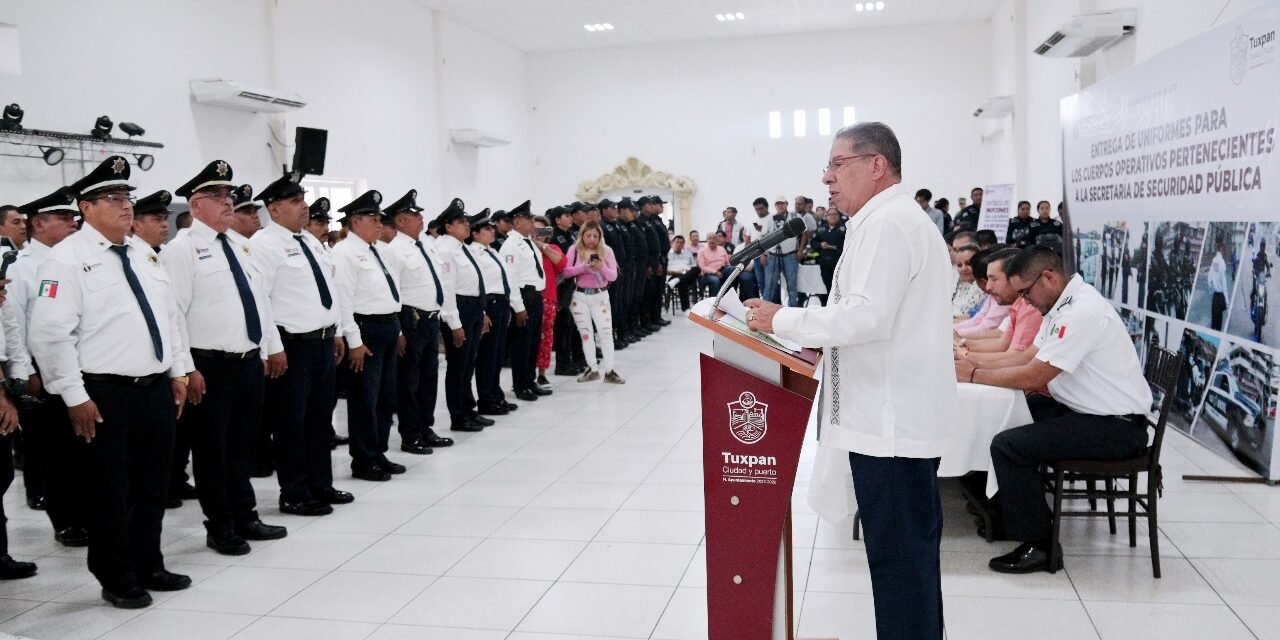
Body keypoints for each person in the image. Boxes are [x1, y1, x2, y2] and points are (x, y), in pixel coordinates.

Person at [744, 122, 956, 639]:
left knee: (900, 565)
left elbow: (866, 317)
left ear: (876, 164)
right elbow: (874, 316)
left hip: (890, 427)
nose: (827, 178)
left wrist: (783, 320)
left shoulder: (889, 224)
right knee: (905, 565)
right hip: (889, 419)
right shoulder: (888, 220)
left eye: (837, 165)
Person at [29, 155, 192, 608]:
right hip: (103, 393)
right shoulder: (66, 260)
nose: (125, 206)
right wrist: (74, 397)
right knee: (108, 490)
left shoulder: (143, 252)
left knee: (153, 484)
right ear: (85, 207)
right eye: (113, 198)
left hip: (155, 387)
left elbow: (169, 318)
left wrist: (177, 370)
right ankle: (116, 574)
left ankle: (148, 563)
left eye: (127, 198)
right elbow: (49, 335)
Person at [954, 246, 1152, 574]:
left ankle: (1040, 546)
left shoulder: (1081, 313)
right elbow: (1026, 356)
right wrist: (973, 363)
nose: (1023, 301)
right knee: (1003, 419)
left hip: (1114, 427)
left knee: (1009, 444)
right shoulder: (1061, 305)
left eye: (1026, 293)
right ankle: (1000, 508)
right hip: (1082, 411)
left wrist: (973, 374)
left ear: (1048, 277)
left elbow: (1033, 375)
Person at [165, 161, 287, 555]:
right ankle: (220, 525)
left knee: (242, 446)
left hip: (248, 361)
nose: (227, 203)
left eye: (229, 196)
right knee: (212, 450)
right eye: (217, 197)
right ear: (195, 205)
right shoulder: (182, 250)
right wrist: (186, 369)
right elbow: (174, 316)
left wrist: (272, 347)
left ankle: (245, 515)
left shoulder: (240, 245)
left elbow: (260, 303)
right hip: (209, 365)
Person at [249, 172, 354, 516]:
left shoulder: (309, 242)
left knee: (319, 419)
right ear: (274, 210)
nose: (304, 206)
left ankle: (320, 483)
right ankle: (294, 491)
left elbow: (329, 292)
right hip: (292, 347)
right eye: (295, 201)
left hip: (322, 343)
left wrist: (336, 331)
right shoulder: (264, 245)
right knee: (291, 423)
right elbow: (260, 301)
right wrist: (273, 347)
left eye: (303, 199)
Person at [10, 188, 90, 547]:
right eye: (63, 218)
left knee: (82, 450)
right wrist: (26, 373)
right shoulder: (21, 267)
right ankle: (67, 520)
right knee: (56, 453)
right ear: (38, 224)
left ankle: (86, 512)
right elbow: (15, 324)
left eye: (74, 217)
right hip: (42, 373)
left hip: (79, 367)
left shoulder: (74, 258)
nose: (73, 223)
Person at [331, 189, 408, 479]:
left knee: (386, 397)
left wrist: (397, 329)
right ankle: (363, 460)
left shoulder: (379, 250)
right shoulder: (345, 252)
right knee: (365, 399)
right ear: (355, 221)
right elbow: (344, 301)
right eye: (372, 218)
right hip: (365, 330)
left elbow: (391, 293)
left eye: (379, 218)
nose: (379, 224)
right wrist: (355, 342)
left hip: (387, 326)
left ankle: (379, 452)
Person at [384, 189, 460, 452]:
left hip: (430, 319)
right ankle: (410, 433)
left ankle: (426, 427)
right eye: (413, 215)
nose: (420, 218)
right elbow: (392, 292)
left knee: (429, 377)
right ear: (400, 221)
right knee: (409, 380)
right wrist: (397, 331)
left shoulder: (426, 244)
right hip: (410, 319)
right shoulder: (394, 250)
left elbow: (441, 283)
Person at [433, 199, 491, 431]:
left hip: (473, 307)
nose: (466, 225)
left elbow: (474, 281)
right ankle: (459, 416)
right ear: (448, 226)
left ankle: (469, 409)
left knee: (468, 365)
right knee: (458, 366)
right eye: (460, 222)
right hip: (459, 309)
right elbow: (447, 289)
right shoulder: (445, 249)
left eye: (466, 221)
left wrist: (482, 311)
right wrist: (454, 323)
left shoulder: (461, 247)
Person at [500, 201, 556, 401]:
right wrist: (518, 307)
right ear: (516, 221)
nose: (533, 222)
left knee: (533, 343)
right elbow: (510, 278)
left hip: (536, 297)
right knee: (521, 345)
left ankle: (530, 381)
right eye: (528, 219)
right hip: (523, 298)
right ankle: (520, 385)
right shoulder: (511, 245)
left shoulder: (529, 241)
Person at [954, 248, 1044, 364]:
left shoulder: (1030, 307)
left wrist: (964, 355)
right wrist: (961, 348)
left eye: (993, 279)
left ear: (1014, 278)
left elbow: (1015, 357)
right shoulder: (1018, 304)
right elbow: (1002, 343)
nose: (988, 287)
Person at [562, 220, 624, 383]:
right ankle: (593, 368)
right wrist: (583, 266)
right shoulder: (574, 250)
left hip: (600, 296)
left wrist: (600, 267)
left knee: (605, 333)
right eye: (588, 235)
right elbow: (566, 272)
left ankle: (609, 370)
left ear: (600, 237)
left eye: (595, 236)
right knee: (586, 334)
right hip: (579, 296)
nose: (591, 239)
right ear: (582, 235)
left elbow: (613, 276)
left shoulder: (606, 250)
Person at [466, 210, 515, 419]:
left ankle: (496, 394)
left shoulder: (492, 251)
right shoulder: (473, 253)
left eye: (492, 227)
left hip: (501, 304)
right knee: (487, 356)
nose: (491, 231)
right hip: (490, 305)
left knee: (496, 355)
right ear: (475, 233)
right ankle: (486, 398)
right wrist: (483, 311)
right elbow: (478, 284)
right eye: (486, 228)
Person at [533, 214, 565, 384]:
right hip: (529, 299)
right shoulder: (524, 249)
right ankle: (526, 372)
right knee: (530, 337)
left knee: (546, 336)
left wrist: (542, 246)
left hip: (549, 298)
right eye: (534, 229)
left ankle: (542, 372)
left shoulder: (552, 247)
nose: (538, 233)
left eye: (541, 230)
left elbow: (561, 263)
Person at [954, 246, 1011, 338]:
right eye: (959, 265)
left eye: (994, 279)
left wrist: (954, 334)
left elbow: (986, 328)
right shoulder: (994, 295)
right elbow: (977, 319)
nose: (988, 286)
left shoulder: (1004, 298)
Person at [761, 195, 802, 307]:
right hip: (773, 256)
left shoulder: (795, 216)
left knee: (792, 286)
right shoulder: (770, 218)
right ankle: (764, 309)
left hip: (790, 255)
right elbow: (764, 236)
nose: (780, 205)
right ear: (775, 206)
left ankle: (793, 311)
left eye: (782, 203)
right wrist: (764, 254)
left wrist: (800, 250)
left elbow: (805, 233)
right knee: (769, 285)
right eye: (777, 203)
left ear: (786, 204)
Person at [810, 206, 846, 305]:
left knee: (839, 288)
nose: (832, 216)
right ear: (826, 216)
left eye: (835, 214)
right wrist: (820, 245)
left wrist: (836, 248)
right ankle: (826, 306)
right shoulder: (821, 229)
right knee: (827, 286)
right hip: (825, 263)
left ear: (839, 216)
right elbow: (813, 242)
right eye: (830, 214)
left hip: (839, 263)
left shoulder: (844, 229)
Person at [667, 235, 699, 311]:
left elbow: (693, 267)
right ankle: (686, 309)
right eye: (677, 242)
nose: (679, 244)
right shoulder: (667, 254)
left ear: (683, 244)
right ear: (672, 243)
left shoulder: (688, 253)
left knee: (697, 269)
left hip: (686, 275)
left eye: (681, 243)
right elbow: (664, 270)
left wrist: (687, 271)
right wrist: (675, 272)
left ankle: (678, 280)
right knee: (683, 282)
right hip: (672, 275)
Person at [952, 245, 984, 319]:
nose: (963, 268)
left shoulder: (986, 288)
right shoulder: (956, 285)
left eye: (968, 264)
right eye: (959, 265)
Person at [1207, 238, 1229, 330]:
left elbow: (1209, 279)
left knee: (1213, 324)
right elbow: (1224, 283)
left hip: (1215, 298)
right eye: (1224, 250)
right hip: (1220, 297)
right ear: (1221, 249)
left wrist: (1211, 292)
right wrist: (1227, 300)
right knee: (1218, 325)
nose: (1225, 252)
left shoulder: (1214, 261)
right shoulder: (1222, 262)